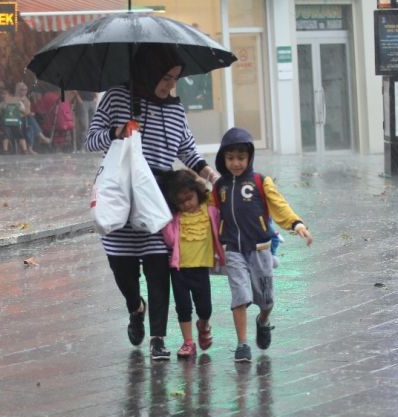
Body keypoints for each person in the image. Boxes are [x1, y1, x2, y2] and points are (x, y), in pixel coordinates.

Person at [84, 44, 219, 360]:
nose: (170, 85)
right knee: (123, 268)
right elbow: (90, 140)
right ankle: (135, 306)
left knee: (159, 270)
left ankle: (158, 337)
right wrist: (118, 131)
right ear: (148, 69)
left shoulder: (175, 109)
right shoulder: (118, 97)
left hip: (160, 199)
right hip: (121, 195)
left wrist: (211, 175)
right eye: (165, 77)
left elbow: (187, 150)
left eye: (174, 78)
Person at [213, 127, 313, 362]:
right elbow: (209, 211)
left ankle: (263, 320)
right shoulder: (220, 188)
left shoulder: (260, 181)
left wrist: (296, 224)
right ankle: (242, 344)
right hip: (234, 251)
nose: (236, 163)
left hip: (260, 250)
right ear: (222, 159)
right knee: (240, 295)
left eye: (240, 158)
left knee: (266, 300)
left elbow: (279, 205)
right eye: (230, 158)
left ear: (249, 158)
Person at [161, 170, 225, 358]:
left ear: (197, 192)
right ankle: (188, 342)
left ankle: (203, 325)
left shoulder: (209, 209)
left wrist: (199, 178)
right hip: (179, 269)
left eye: (189, 198)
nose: (186, 204)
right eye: (181, 201)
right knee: (183, 307)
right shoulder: (176, 217)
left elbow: (216, 191)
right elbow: (170, 240)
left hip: (201, 268)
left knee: (205, 307)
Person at [0, 86, 31, 154]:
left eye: (4, 94)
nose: (3, 96)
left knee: (20, 134)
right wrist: (1, 111)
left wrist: (19, 109)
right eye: (2, 94)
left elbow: (26, 112)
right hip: (6, 123)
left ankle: (25, 150)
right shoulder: (2, 104)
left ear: (9, 95)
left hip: (16, 122)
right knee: (6, 133)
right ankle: (5, 150)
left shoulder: (18, 102)